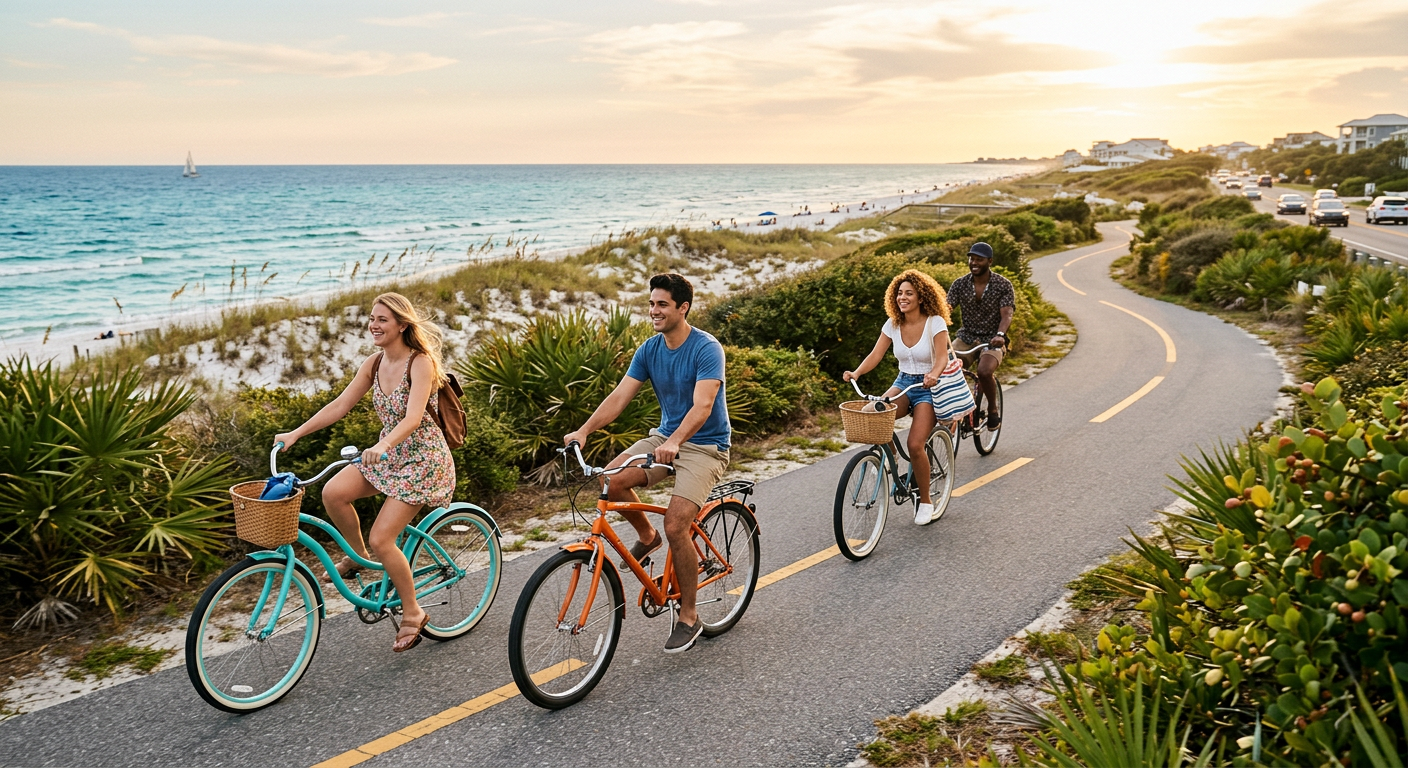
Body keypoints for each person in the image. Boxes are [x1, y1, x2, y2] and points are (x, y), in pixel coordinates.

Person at [273, 292, 455, 653]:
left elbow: (414, 418)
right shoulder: (374, 363)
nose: (374, 325)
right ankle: (359, 559)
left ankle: (413, 612)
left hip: (423, 461)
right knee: (333, 493)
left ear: (402, 325)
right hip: (388, 454)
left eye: (383, 319)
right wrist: (295, 434)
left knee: (382, 538)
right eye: (372, 318)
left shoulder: (419, 363)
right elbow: (340, 405)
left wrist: (384, 446)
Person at [564, 273, 730, 654]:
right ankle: (645, 537)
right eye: (651, 303)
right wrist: (585, 430)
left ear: (682, 308)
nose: (653, 310)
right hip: (664, 439)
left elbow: (703, 406)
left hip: (705, 446)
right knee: (611, 481)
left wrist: (675, 441)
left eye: (662, 304)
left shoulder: (707, 349)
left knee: (676, 525)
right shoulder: (650, 349)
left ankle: (689, 615)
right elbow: (620, 396)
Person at [843, 269, 956, 526]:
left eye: (909, 293)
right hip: (903, 382)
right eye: (899, 293)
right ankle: (891, 455)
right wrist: (856, 372)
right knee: (873, 411)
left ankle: (926, 501)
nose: (902, 298)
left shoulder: (935, 322)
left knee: (916, 445)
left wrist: (935, 374)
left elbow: (941, 357)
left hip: (928, 387)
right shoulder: (893, 324)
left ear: (921, 297)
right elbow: (876, 354)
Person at [946, 242, 1014, 430]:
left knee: (984, 372)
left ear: (989, 261)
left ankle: (992, 410)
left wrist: (1000, 335)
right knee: (948, 369)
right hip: (966, 337)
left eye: (979, 259)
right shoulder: (960, 284)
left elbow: (1007, 314)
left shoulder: (1002, 285)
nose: (974, 262)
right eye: (971, 259)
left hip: (993, 339)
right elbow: (946, 308)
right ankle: (959, 409)